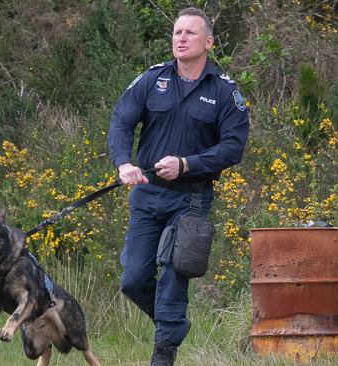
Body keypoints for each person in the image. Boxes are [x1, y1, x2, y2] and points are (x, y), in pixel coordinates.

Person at [107, 7, 249, 366]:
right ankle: (173, 324)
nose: (180, 39)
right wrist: (124, 163)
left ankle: (163, 352)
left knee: (173, 269)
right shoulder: (152, 80)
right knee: (133, 278)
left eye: (189, 33)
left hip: (191, 198)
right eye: (176, 33)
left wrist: (186, 164)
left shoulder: (223, 91)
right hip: (146, 193)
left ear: (208, 42)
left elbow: (233, 147)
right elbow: (121, 121)